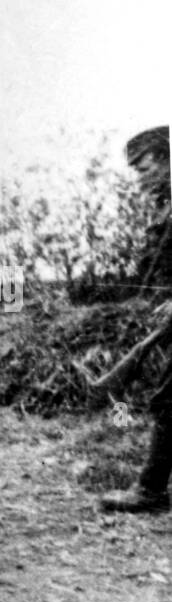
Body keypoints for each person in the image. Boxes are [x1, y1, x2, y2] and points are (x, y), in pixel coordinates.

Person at [102, 125, 172, 512]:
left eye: (144, 168)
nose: (139, 178)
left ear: (167, 160)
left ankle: (150, 490)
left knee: (168, 399)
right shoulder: (165, 205)